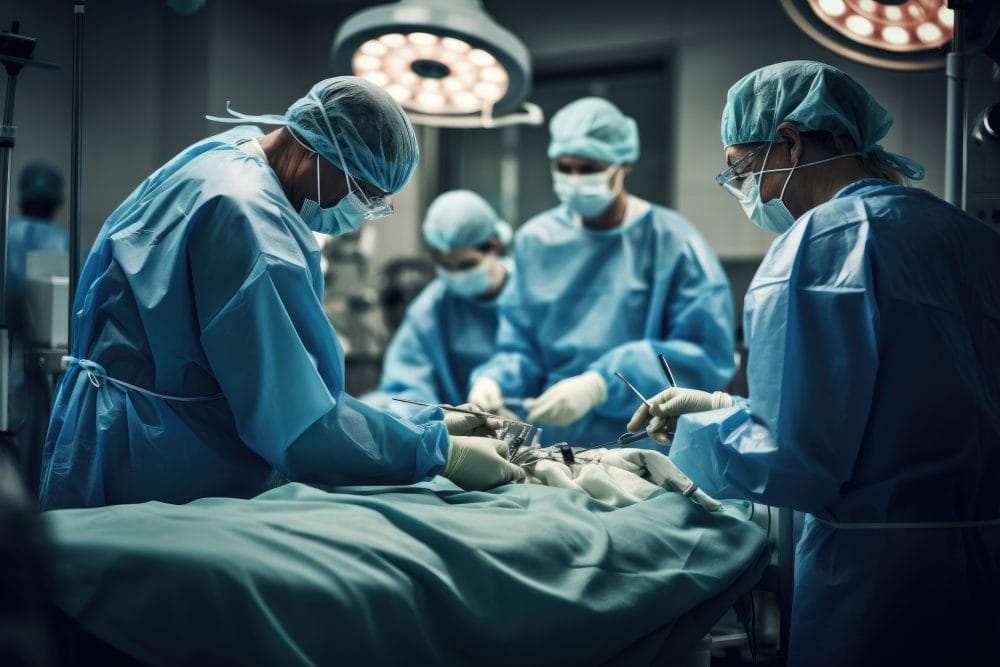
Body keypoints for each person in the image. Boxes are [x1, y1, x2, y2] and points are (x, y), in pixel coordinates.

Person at [628, 61, 1000, 665]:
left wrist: (701, 432)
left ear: (791, 142)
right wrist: (731, 406)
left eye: (744, 167)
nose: (747, 189)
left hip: (880, 593)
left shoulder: (818, 247)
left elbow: (796, 464)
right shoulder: (973, 239)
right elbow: (887, 418)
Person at [38, 77, 523, 511]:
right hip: (160, 462)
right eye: (364, 192)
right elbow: (300, 425)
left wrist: (427, 423)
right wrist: (438, 453)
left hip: (122, 434)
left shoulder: (226, 158)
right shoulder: (250, 222)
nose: (363, 209)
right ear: (319, 151)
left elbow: (287, 388)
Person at [468, 97, 736, 446]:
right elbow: (521, 346)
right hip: (554, 443)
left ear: (623, 164)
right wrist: (495, 381)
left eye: (589, 168)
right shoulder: (536, 241)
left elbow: (703, 356)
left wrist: (601, 384)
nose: (575, 179)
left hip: (645, 440)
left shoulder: (673, 241)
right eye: (565, 167)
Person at [364, 190, 513, 416]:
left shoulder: (532, 292)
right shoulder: (429, 310)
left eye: (466, 265)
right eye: (446, 266)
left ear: (493, 246)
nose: (457, 276)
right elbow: (407, 392)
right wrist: (444, 424)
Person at [5, 161, 70, 493]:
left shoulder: (5, 237)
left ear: (20, 199)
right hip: (47, 378)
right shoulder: (71, 247)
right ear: (59, 203)